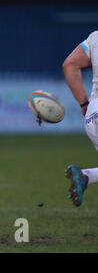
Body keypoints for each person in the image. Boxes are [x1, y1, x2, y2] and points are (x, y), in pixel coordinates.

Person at [63, 30, 98, 206]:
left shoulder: (95, 37)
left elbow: (69, 65)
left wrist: (84, 104)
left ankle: (86, 176)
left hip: (93, 116)